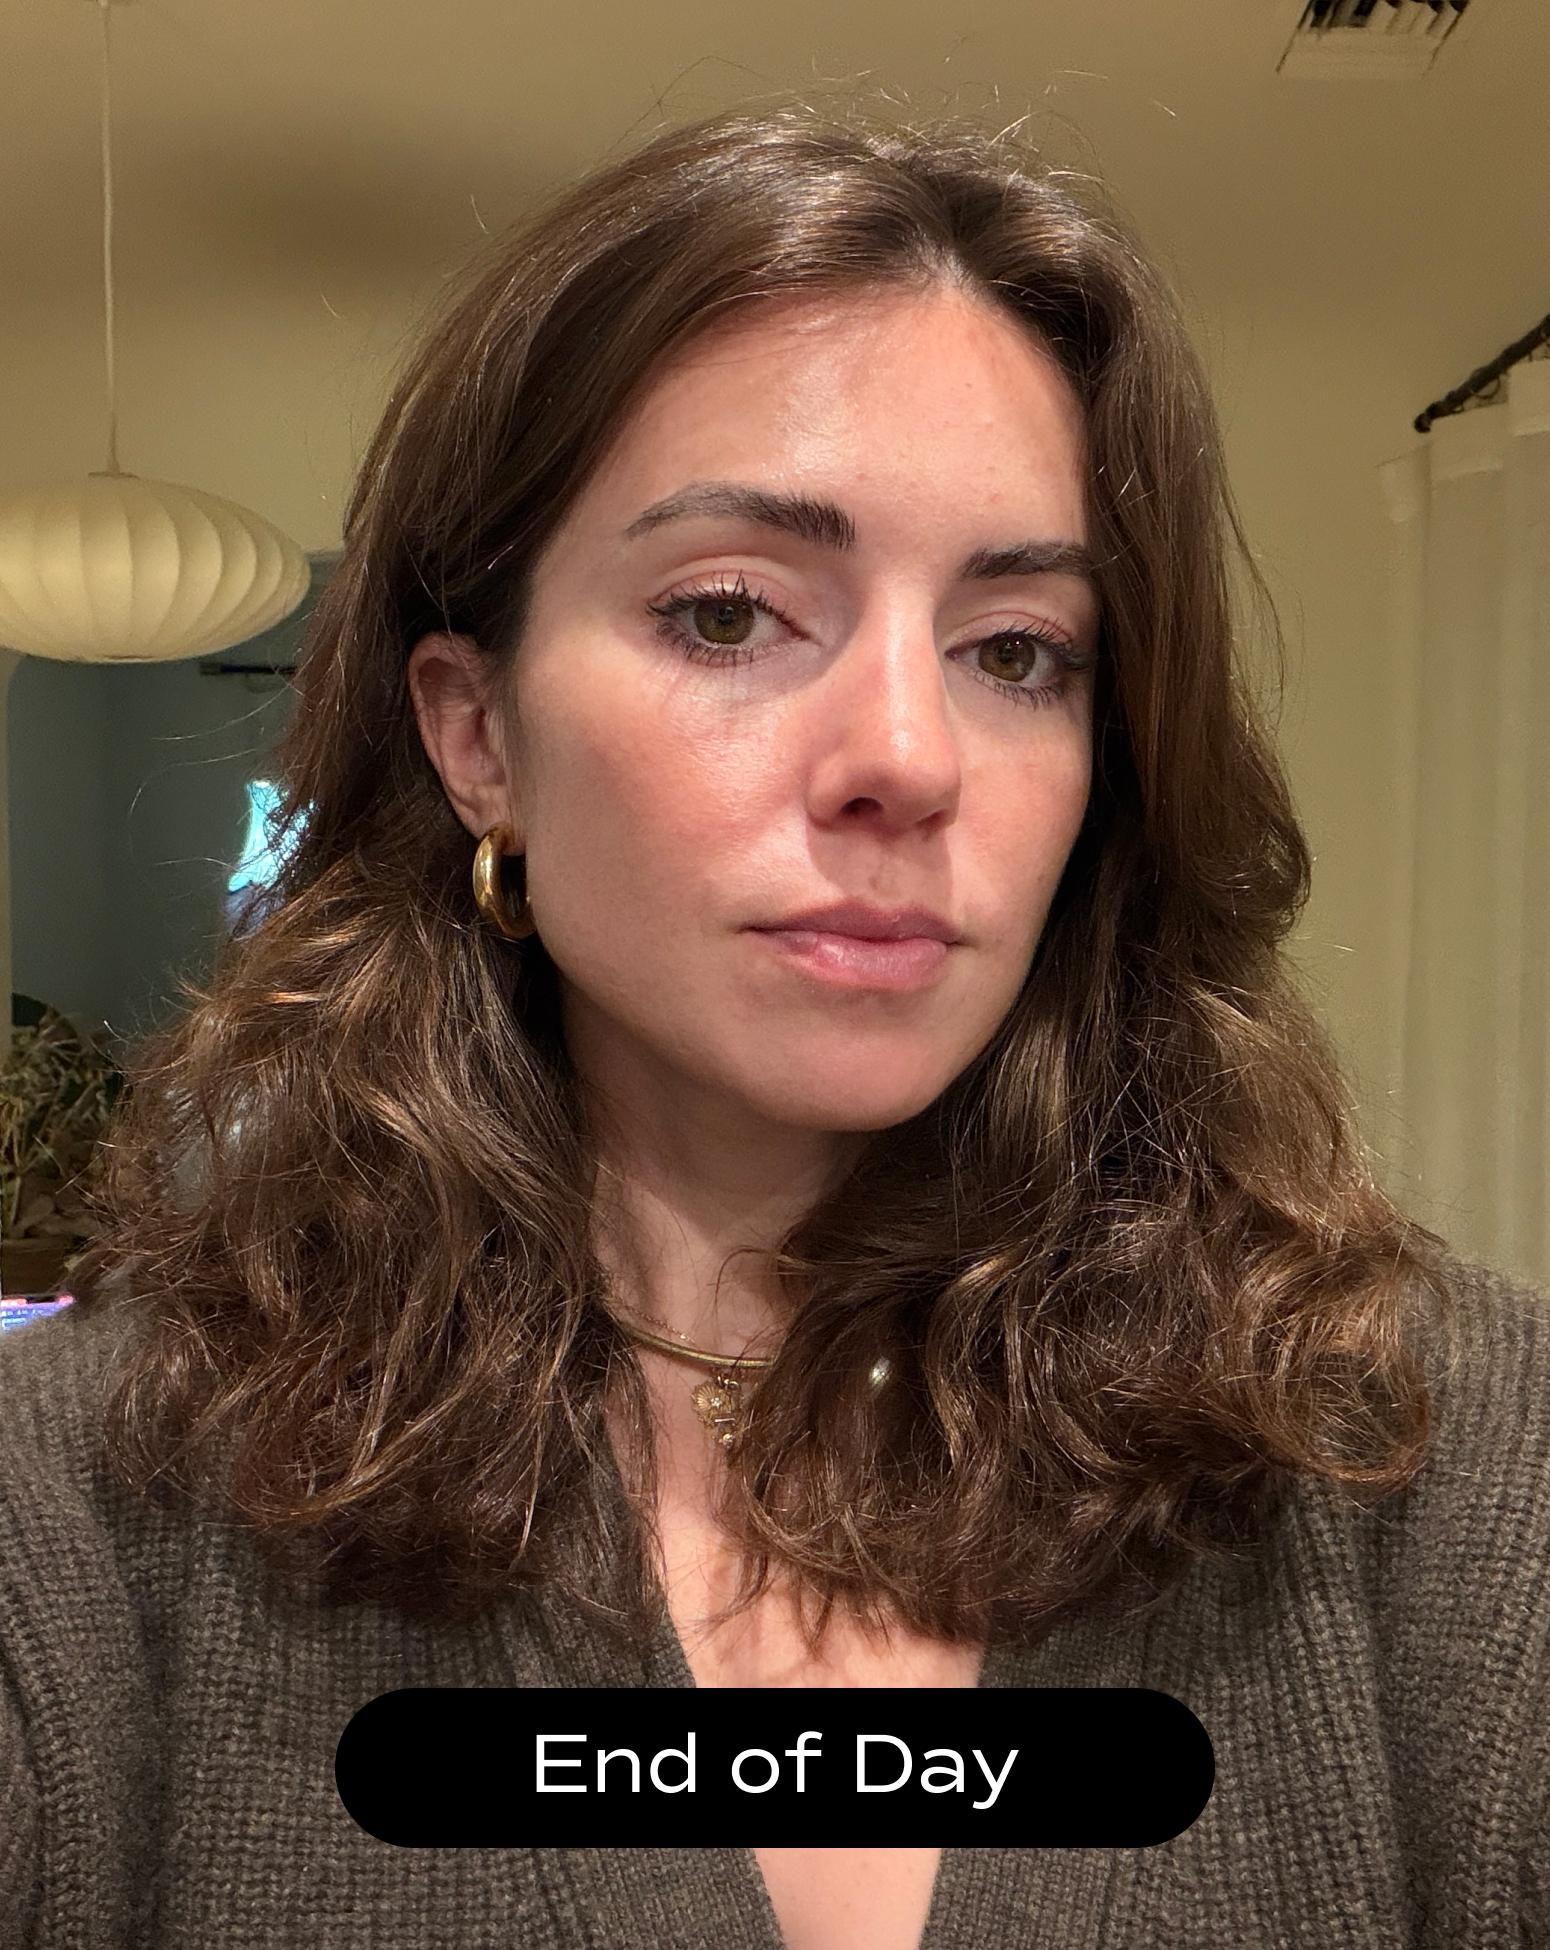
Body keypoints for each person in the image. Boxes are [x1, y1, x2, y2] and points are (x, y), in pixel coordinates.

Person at [1, 103, 1546, 1950]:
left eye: (1017, 649)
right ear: (474, 731)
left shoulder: (1437, 1448)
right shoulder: (85, 1499)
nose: (907, 754)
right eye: (730, 612)